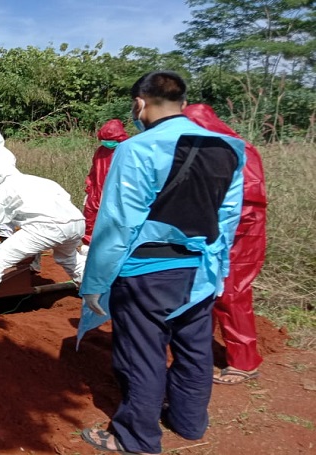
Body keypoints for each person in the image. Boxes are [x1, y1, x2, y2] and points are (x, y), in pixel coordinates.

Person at [77, 71, 245, 455]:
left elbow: (118, 224)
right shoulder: (230, 148)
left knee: (142, 354)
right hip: (200, 270)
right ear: (183, 104)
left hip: (147, 271)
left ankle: (136, 438)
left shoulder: (136, 149)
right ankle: (189, 422)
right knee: (194, 349)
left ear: (139, 103)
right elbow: (229, 218)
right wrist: (218, 272)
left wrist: (95, 283)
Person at [184, 103, 267, 385]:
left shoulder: (236, 150)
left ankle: (244, 363)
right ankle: (200, 351)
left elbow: (247, 201)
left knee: (232, 294)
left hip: (241, 236)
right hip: (214, 233)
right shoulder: (204, 150)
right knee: (206, 290)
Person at [0, 158, 86, 306]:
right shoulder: (42, 181)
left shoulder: (1, 191)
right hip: (76, 222)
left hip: (46, 228)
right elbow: (65, 198)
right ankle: (94, 290)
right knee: (69, 258)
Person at [82, 119, 130, 252]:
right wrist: (89, 189)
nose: (107, 142)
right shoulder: (101, 151)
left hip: (118, 194)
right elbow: (94, 171)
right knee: (91, 218)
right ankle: (89, 246)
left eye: (111, 139)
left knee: (116, 223)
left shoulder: (127, 150)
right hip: (97, 192)